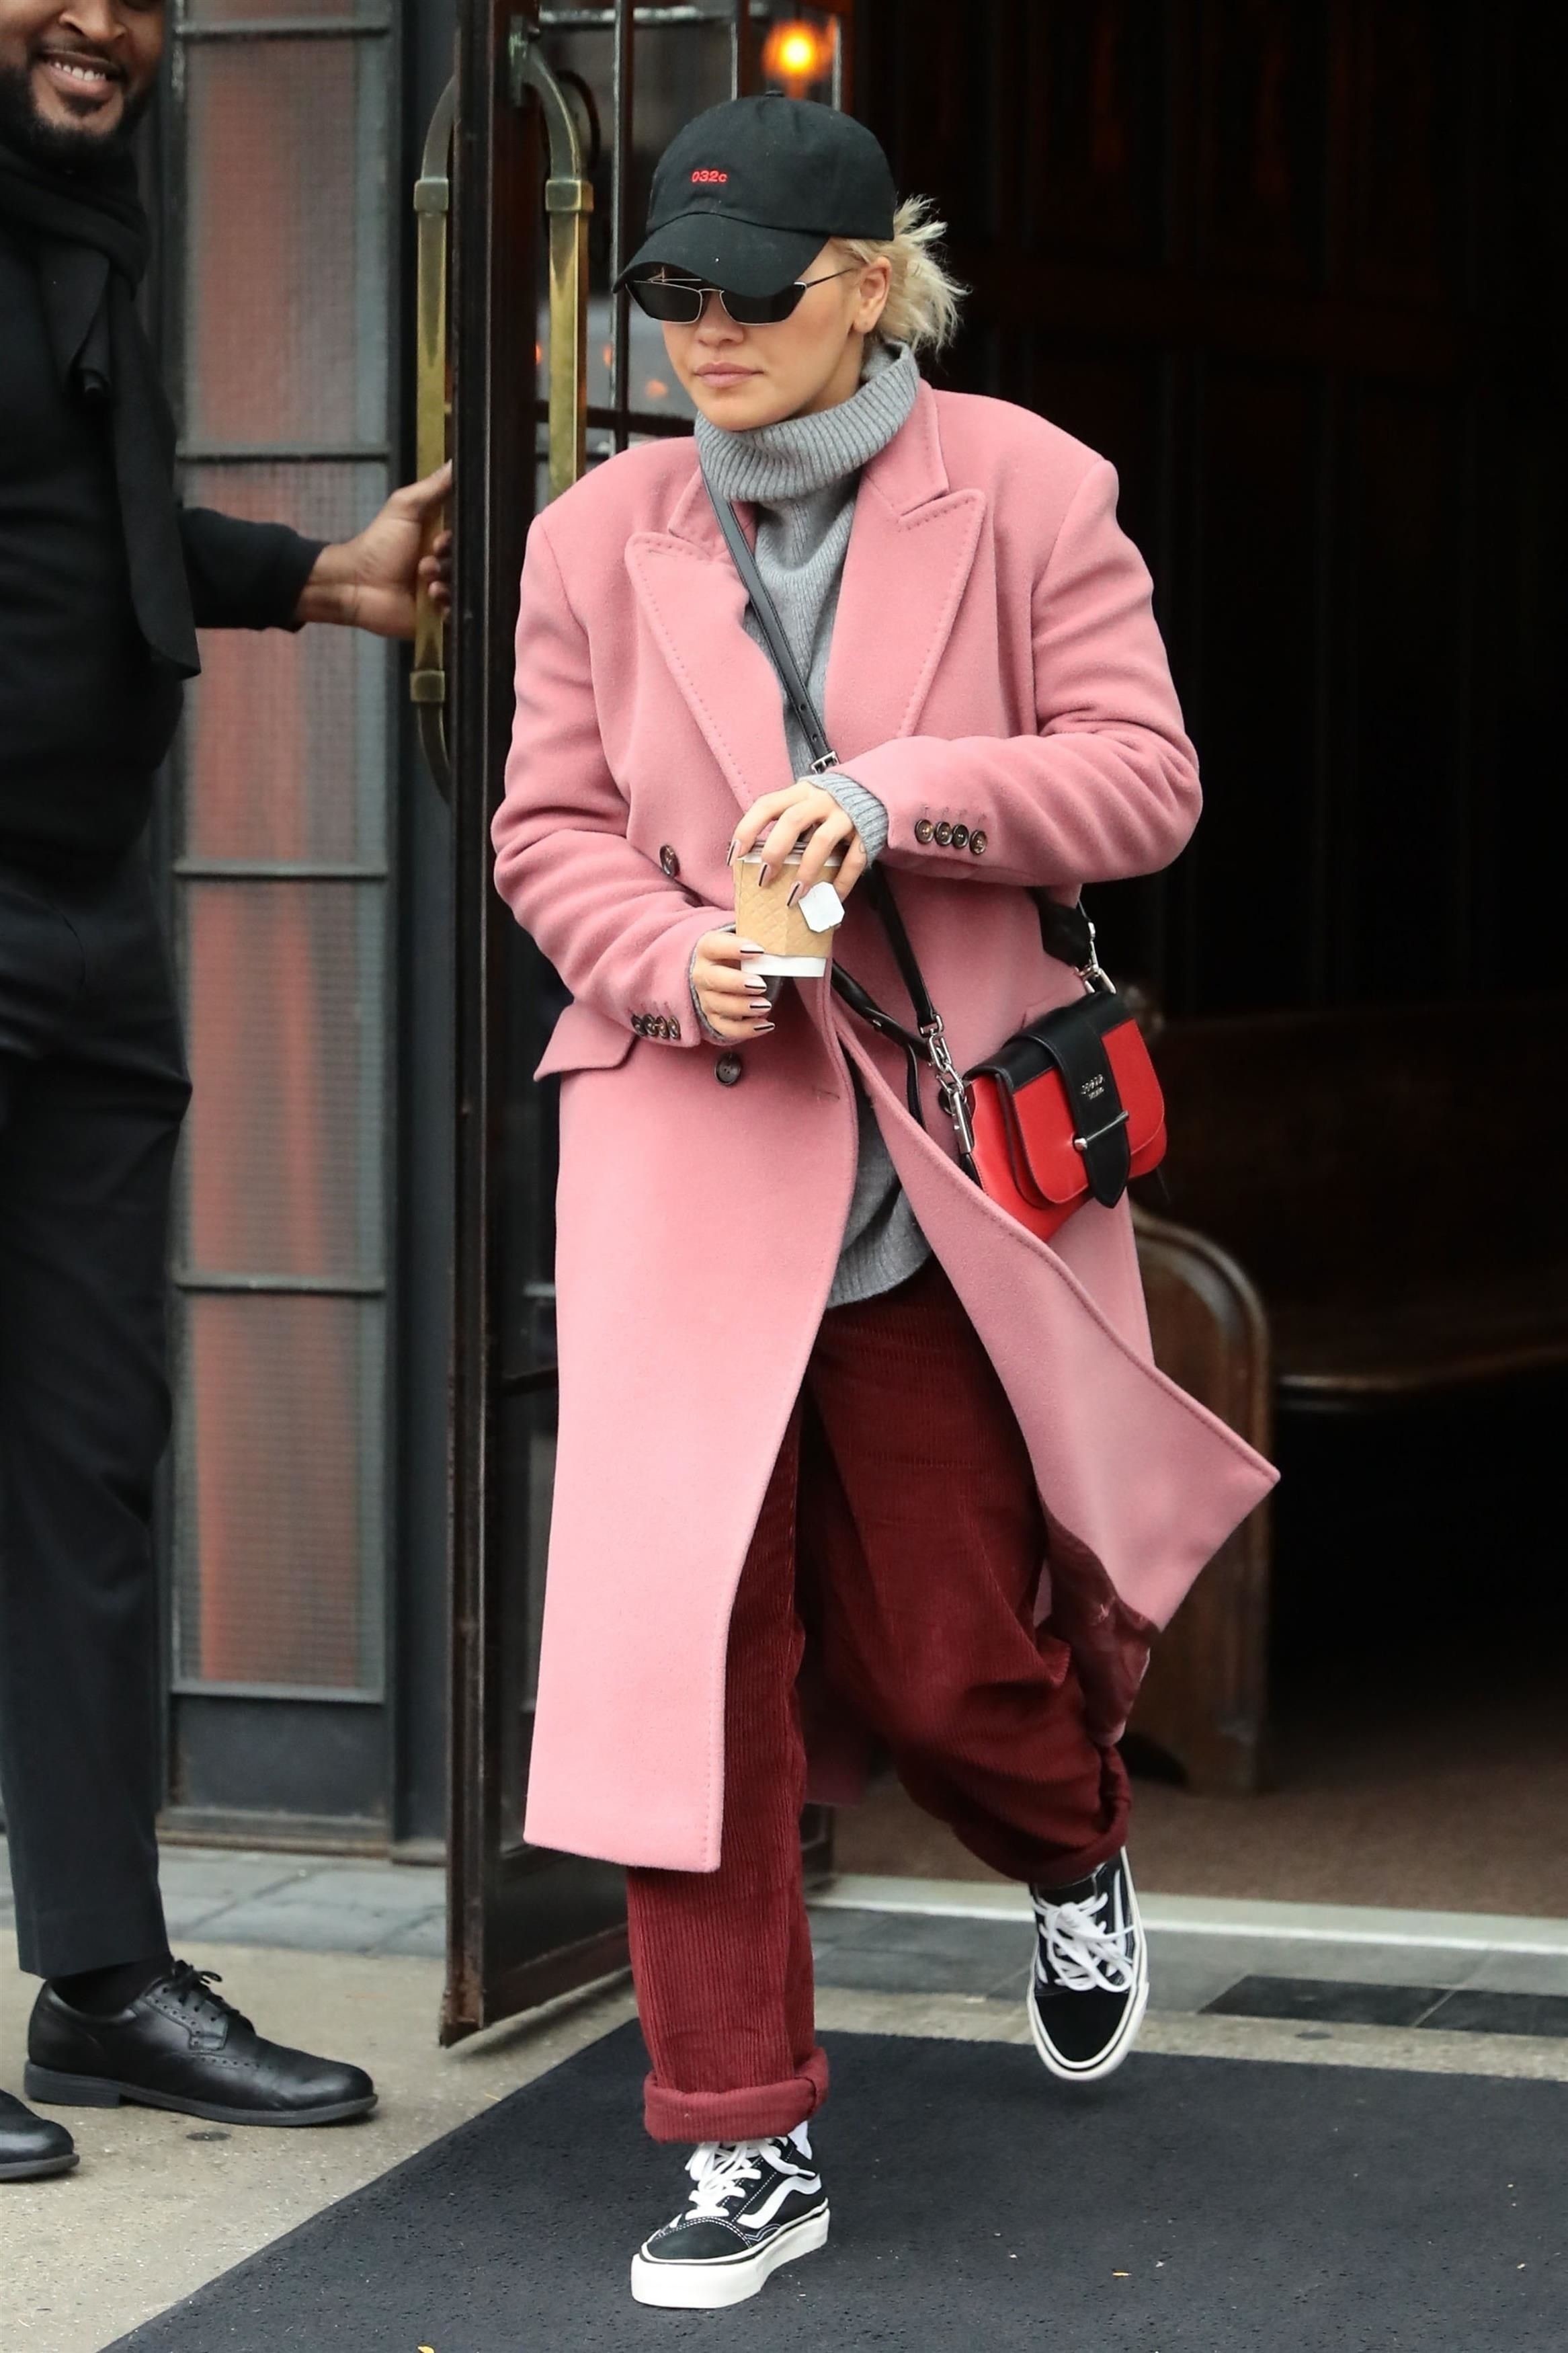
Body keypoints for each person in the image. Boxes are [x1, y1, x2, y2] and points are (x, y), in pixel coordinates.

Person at [493, 95, 1274, 2310]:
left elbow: (1148, 780)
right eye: (670, 295)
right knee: (686, 1665)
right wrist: (678, 960)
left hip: (938, 1169)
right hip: (689, 1140)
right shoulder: (594, 534)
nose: (704, 332)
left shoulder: (1028, 487)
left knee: (949, 1666)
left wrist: (895, 792)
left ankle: (1073, 1837)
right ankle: (740, 2132)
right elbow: (548, 832)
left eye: (751, 293)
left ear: (867, 285)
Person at [0, 0, 450, 2182]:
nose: (102, 19)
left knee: (89, 1465)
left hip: (86, 915)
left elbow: (72, 515)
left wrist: (320, 579)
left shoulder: (84, 209)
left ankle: (101, 1976)